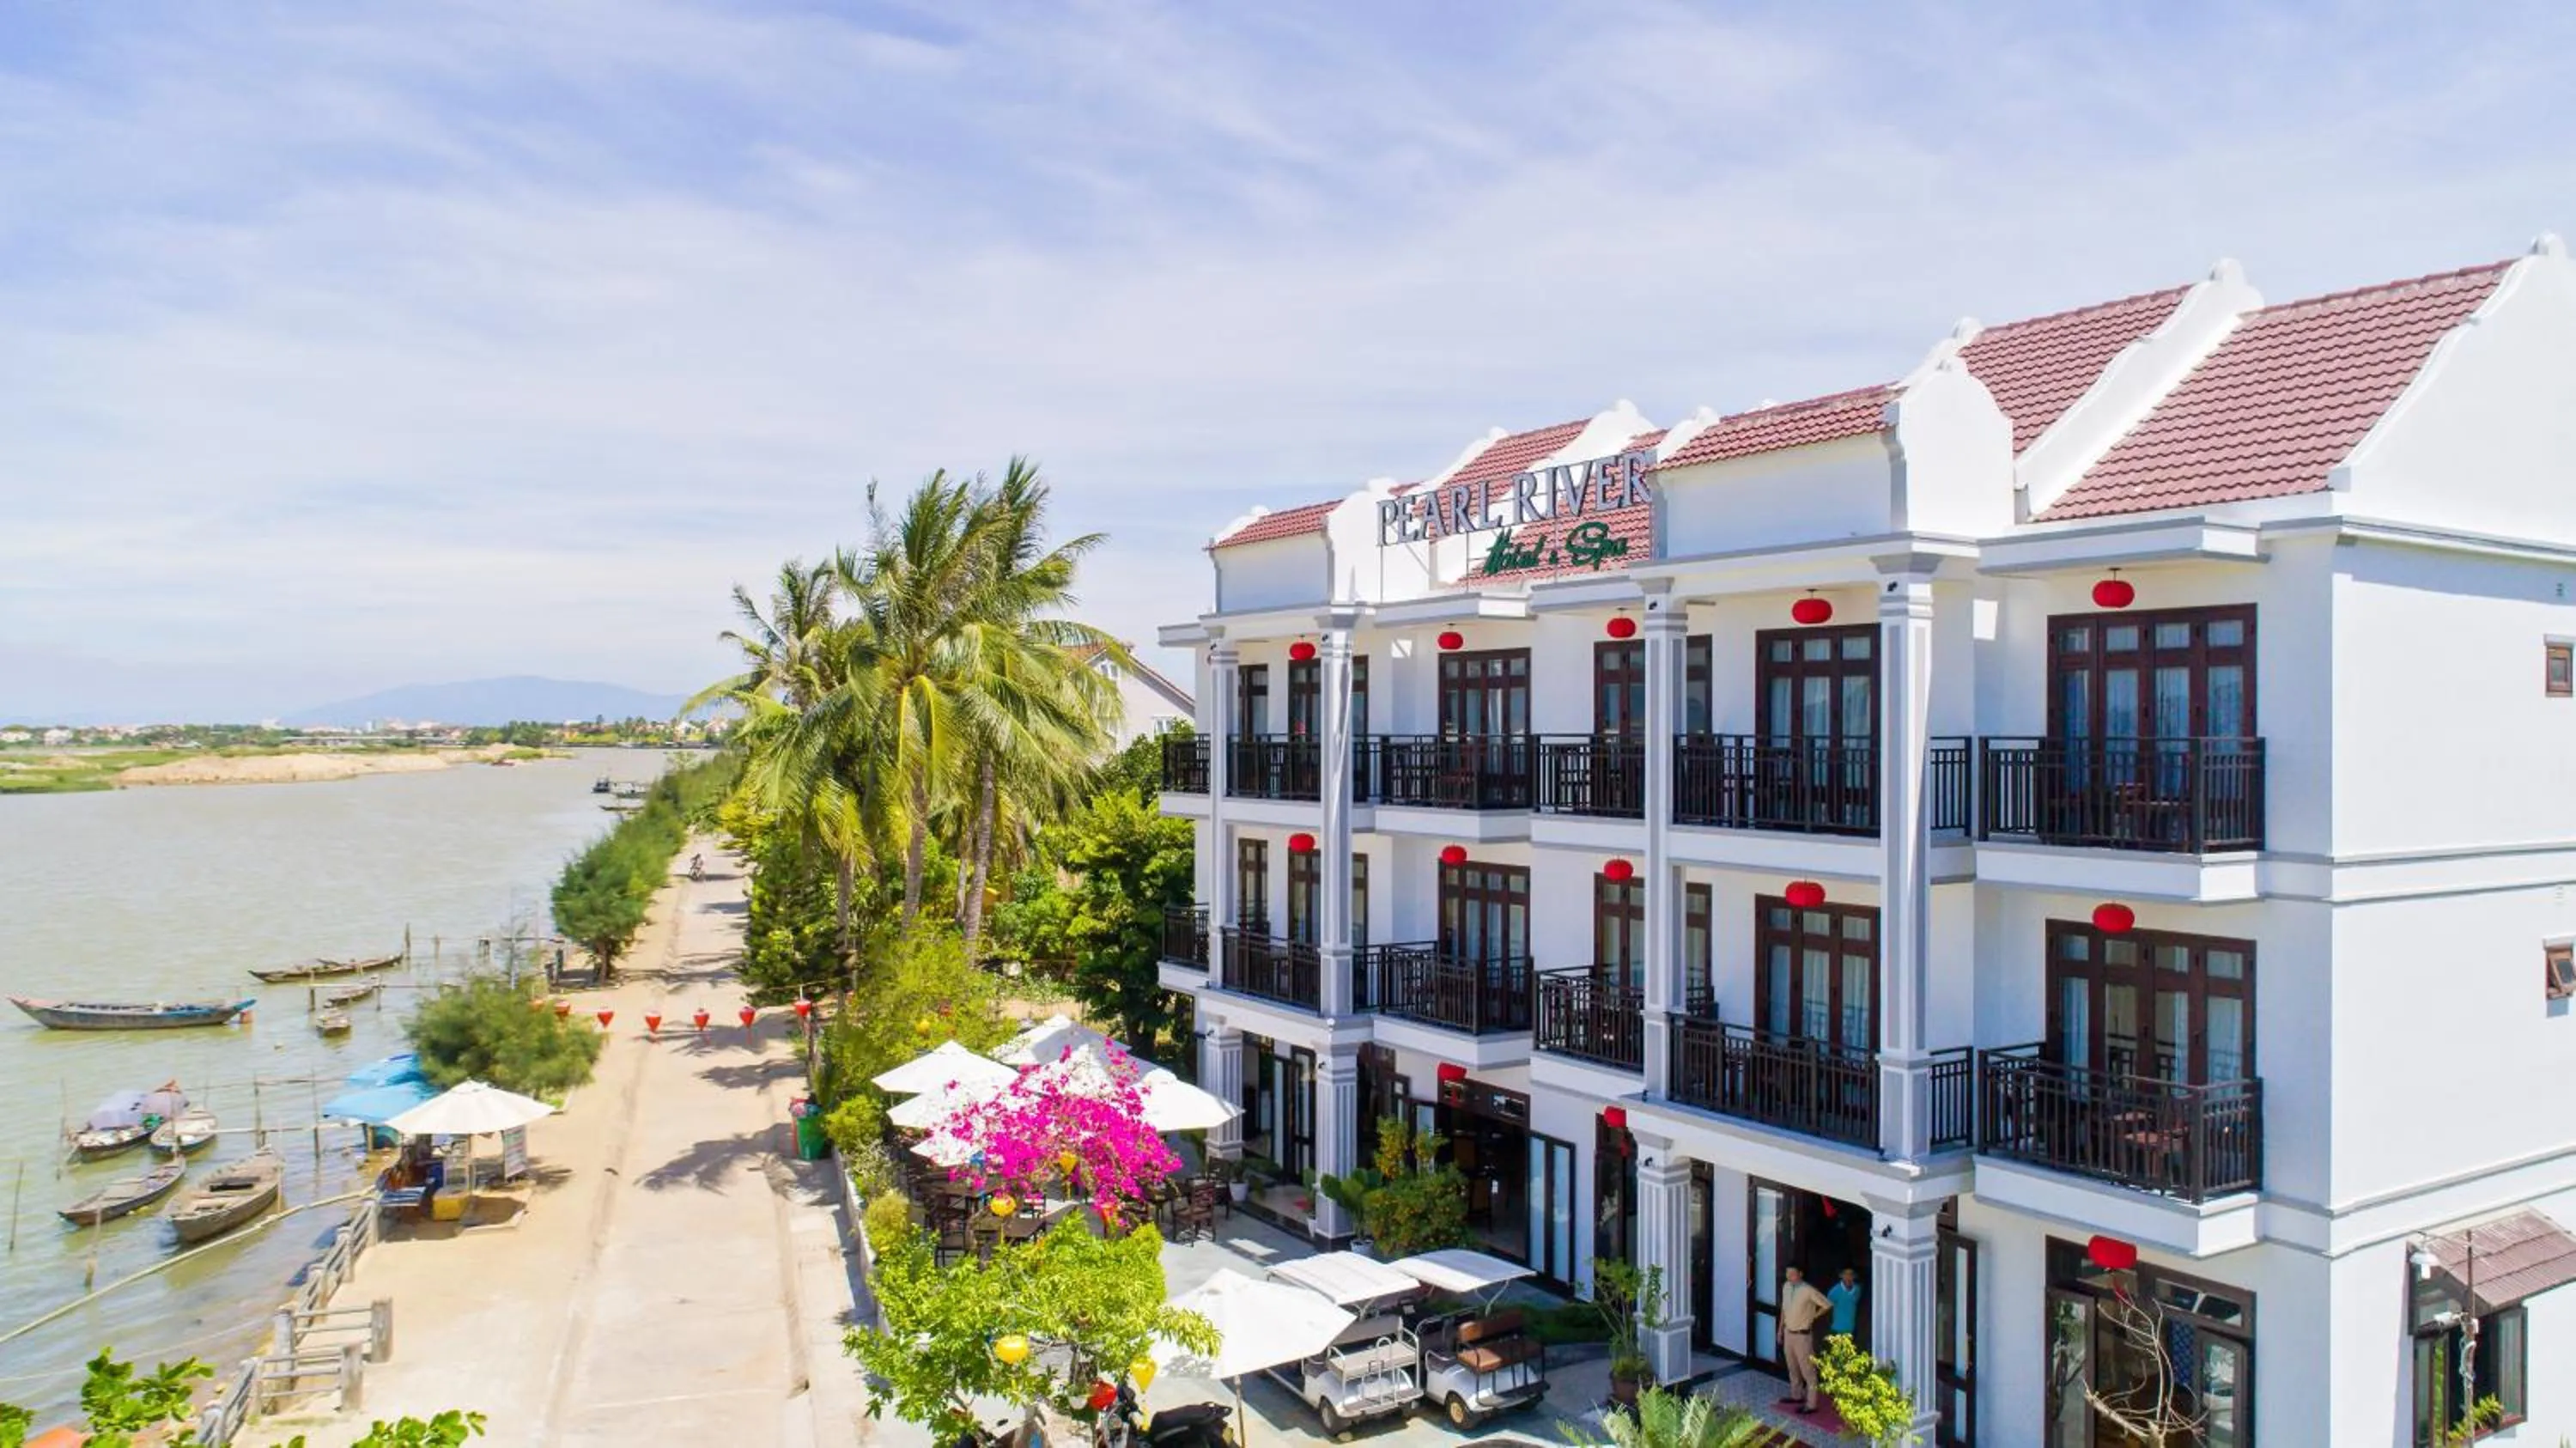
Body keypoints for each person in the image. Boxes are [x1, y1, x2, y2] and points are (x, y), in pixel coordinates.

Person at [1778, 1265, 1834, 1415]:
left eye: (1792, 1274)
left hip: (1803, 1335)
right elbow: (1783, 1310)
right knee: (1792, 1366)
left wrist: (1812, 1317)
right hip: (1789, 1332)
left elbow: (1827, 1304)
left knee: (1807, 1370)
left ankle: (1811, 1403)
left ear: (1800, 1274)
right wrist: (1780, 1331)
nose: (1789, 1277)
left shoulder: (1808, 1290)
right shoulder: (1786, 1287)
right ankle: (1796, 1395)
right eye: (1787, 1273)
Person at [1828, 1267, 1865, 1339]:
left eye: (1851, 1274)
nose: (1848, 1277)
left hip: (1852, 1329)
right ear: (1841, 1275)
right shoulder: (1834, 1291)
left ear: (1855, 1276)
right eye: (1846, 1274)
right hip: (1837, 1329)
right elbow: (1827, 1307)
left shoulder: (1857, 1289)